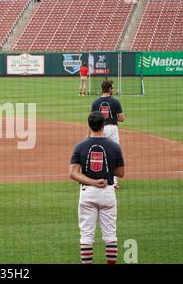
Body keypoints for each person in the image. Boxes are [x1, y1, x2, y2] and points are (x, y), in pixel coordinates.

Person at [69, 111, 125, 264]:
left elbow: (73, 173)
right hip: (108, 192)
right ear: (104, 125)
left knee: (87, 236)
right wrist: (108, 168)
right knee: (110, 236)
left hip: (87, 193)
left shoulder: (80, 146)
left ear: (89, 125)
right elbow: (121, 173)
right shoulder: (114, 146)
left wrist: (92, 182)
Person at [91, 80, 124, 189]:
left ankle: (97, 179)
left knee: (99, 152)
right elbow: (121, 118)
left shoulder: (95, 102)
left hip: (101, 128)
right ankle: (114, 182)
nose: (113, 90)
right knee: (114, 153)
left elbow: (92, 119)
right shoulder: (115, 101)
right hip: (113, 128)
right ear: (109, 89)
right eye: (112, 88)